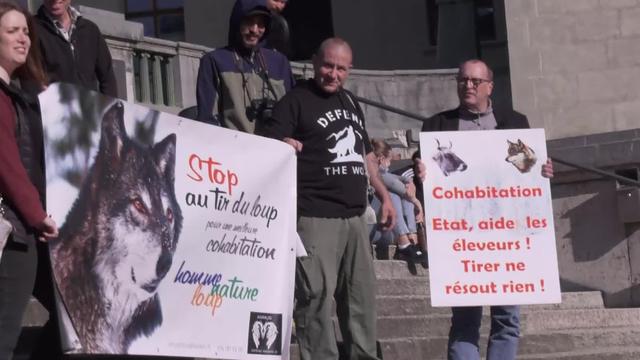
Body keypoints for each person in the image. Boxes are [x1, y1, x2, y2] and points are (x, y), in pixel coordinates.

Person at [256, 37, 396, 360]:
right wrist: (283, 145)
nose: (333, 74)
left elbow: (365, 157)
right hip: (314, 217)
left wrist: (384, 195)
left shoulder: (350, 103)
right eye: (328, 65)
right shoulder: (294, 101)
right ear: (315, 62)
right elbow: (270, 148)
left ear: (349, 70)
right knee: (314, 300)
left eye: (341, 68)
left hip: (355, 218)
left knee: (361, 301)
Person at [422, 59, 553, 360]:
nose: (468, 86)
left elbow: (527, 170)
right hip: (463, 239)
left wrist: (542, 170)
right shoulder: (437, 126)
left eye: (475, 81)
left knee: (507, 320)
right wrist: (421, 171)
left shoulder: (515, 122)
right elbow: (429, 182)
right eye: (462, 80)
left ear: (490, 86)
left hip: (507, 237)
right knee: (465, 321)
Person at [0, 1, 58, 358]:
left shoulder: (19, 95)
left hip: (26, 231)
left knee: (71, 317)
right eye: (11, 31)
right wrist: (38, 215)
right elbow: (7, 164)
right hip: (15, 233)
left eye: (26, 31)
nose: (23, 38)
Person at [196, 0, 294, 132]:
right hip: (234, 148)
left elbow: (294, 114)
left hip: (276, 148)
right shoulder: (214, 61)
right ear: (237, 22)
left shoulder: (280, 62)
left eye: (260, 24)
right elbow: (207, 121)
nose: (254, 30)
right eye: (248, 22)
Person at [32, 0, 117, 96]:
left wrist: (109, 109)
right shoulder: (32, 30)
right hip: (56, 109)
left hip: (91, 108)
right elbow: (32, 81)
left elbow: (108, 79)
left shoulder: (90, 30)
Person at [370, 138, 426, 266]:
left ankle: (411, 239)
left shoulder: (384, 174)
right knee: (393, 194)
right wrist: (417, 203)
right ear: (381, 160)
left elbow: (399, 180)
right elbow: (395, 183)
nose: (390, 165)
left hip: (386, 229)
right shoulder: (376, 174)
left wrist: (408, 181)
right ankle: (405, 241)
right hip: (374, 229)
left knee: (402, 194)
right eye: (389, 161)